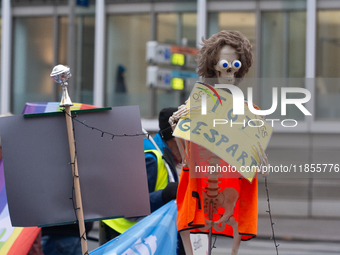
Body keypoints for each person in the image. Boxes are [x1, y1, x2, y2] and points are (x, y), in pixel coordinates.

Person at [170, 30, 268, 255]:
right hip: (200, 174)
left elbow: (255, 142)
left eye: (235, 63)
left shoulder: (246, 110)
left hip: (229, 175)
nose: (230, 70)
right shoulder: (197, 104)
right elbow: (178, 123)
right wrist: (184, 150)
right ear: (213, 65)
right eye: (225, 63)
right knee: (189, 214)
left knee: (235, 213)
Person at [99, 107, 185, 254]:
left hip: (133, 235)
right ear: (176, 138)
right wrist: (165, 195)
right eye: (187, 141)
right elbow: (132, 207)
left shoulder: (162, 154)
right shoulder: (150, 158)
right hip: (123, 236)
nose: (189, 147)